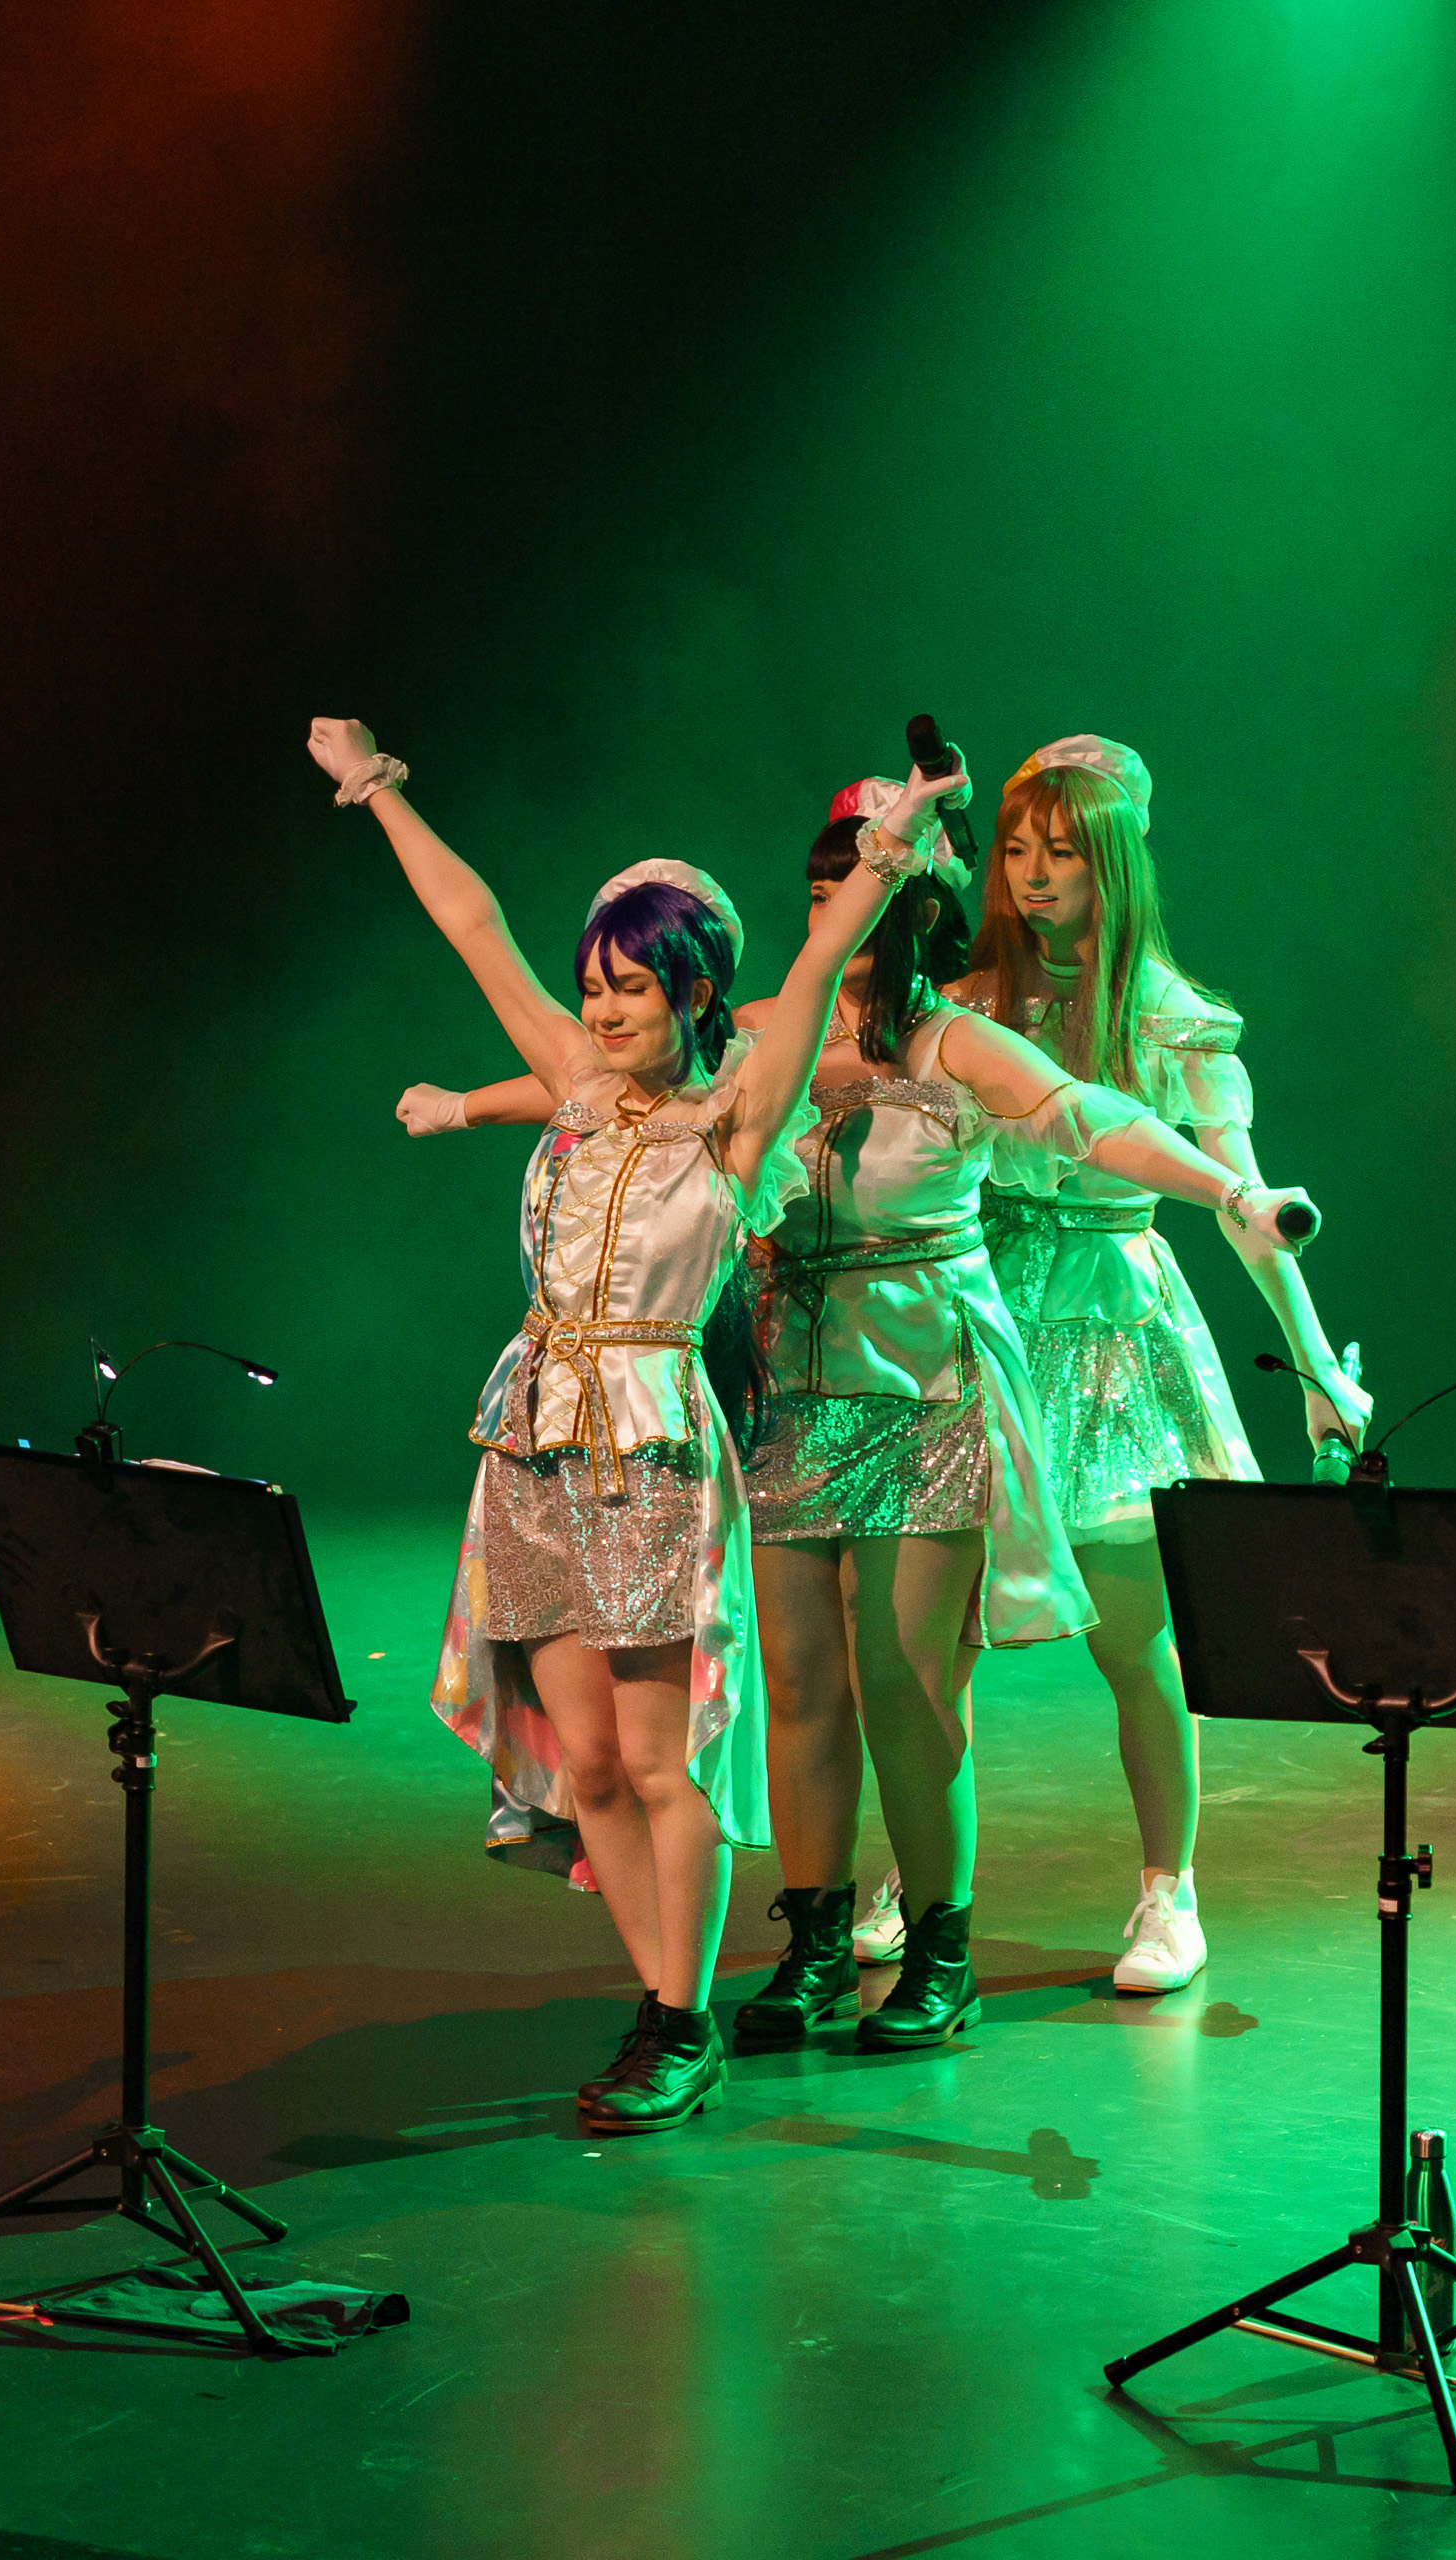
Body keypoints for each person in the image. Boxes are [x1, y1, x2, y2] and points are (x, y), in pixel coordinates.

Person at [404, 770, 1322, 2051]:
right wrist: (465, 1102)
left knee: (906, 1686)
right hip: (785, 1395)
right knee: (799, 1684)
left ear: (915, 904)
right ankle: (817, 1939)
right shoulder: (763, 1035)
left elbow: (1090, 1120)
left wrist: (1227, 1190)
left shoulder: (955, 1042)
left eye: (862, 887)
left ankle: (940, 1940)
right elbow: (605, 1077)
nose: (834, 909)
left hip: (922, 1391)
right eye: (821, 891)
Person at [304, 714, 967, 2129]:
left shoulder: (732, 1120)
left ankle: (678, 2020)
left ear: (692, 991)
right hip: (532, 1445)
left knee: (662, 1759)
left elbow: (814, 971)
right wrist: (375, 790)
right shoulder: (576, 1084)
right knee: (589, 1761)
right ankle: (660, 2000)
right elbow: (473, 927)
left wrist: (889, 847)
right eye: (594, 985)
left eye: (632, 988)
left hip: (655, 1449)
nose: (602, 1011)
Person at [949, 733, 1373, 1995]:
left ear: (1114, 864)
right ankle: (922, 1880)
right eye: (1015, 852)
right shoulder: (964, 1004)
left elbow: (1248, 1207)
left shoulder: (1173, 1019)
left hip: (1115, 1328)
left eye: (1061, 854)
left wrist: (1315, 1366)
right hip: (979, 1310)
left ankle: (1168, 1888)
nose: (1033, 876)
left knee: (1132, 1638)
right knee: (936, 1628)